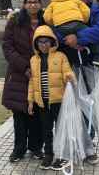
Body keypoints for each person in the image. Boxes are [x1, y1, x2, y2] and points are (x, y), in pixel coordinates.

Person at [60, 0, 99, 165]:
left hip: (90, 64)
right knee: (68, 104)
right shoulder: (63, 7)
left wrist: (78, 37)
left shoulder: (96, 10)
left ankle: (89, 144)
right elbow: (54, 30)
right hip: (67, 65)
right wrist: (68, 40)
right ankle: (71, 141)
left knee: (88, 104)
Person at [2, 0, 44, 163]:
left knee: (37, 113)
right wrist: (25, 66)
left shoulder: (46, 20)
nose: (32, 5)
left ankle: (35, 147)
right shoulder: (15, 21)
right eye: (29, 2)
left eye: (36, 2)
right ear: (25, 4)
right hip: (18, 73)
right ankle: (19, 149)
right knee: (19, 114)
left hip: (40, 72)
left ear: (40, 4)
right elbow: (7, 47)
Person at [27, 25, 75, 170]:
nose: (43, 45)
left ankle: (63, 155)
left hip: (58, 101)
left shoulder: (60, 56)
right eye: (40, 42)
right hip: (42, 103)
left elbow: (67, 71)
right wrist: (30, 102)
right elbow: (31, 82)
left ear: (52, 41)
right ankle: (49, 154)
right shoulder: (33, 60)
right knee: (46, 130)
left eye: (46, 41)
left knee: (61, 129)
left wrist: (70, 77)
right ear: (36, 44)